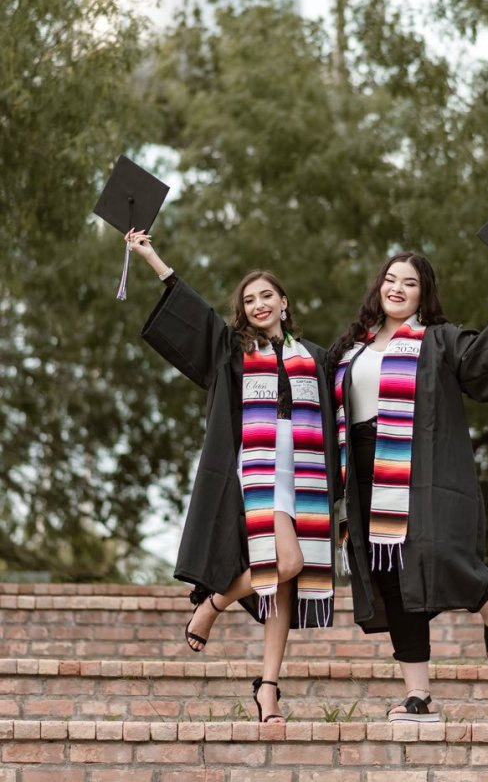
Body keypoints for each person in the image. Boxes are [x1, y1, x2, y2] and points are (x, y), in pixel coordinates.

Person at [125, 228, 336, 724]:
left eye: (267, 296)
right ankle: (213, 605)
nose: (259, 304)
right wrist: (153, 258)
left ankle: (269, 689)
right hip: (258, 477)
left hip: (304, 478)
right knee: (288, 563)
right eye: (249, 300)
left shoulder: (316, 357)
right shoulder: (234, 351)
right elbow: (194, 312)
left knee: (285, 583)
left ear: (284, 302)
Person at [328, 251, 488, 723]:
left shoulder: (437, 340)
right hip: (361, 472)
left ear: (424, 294)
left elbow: (484, 357)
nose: (397, 288)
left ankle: (487, 602)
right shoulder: (350, 348)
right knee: (391, 579)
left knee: (438, 551)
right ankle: (418, 695)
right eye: (390, 279)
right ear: (379, 286)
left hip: (418, 468)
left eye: (410, 283)